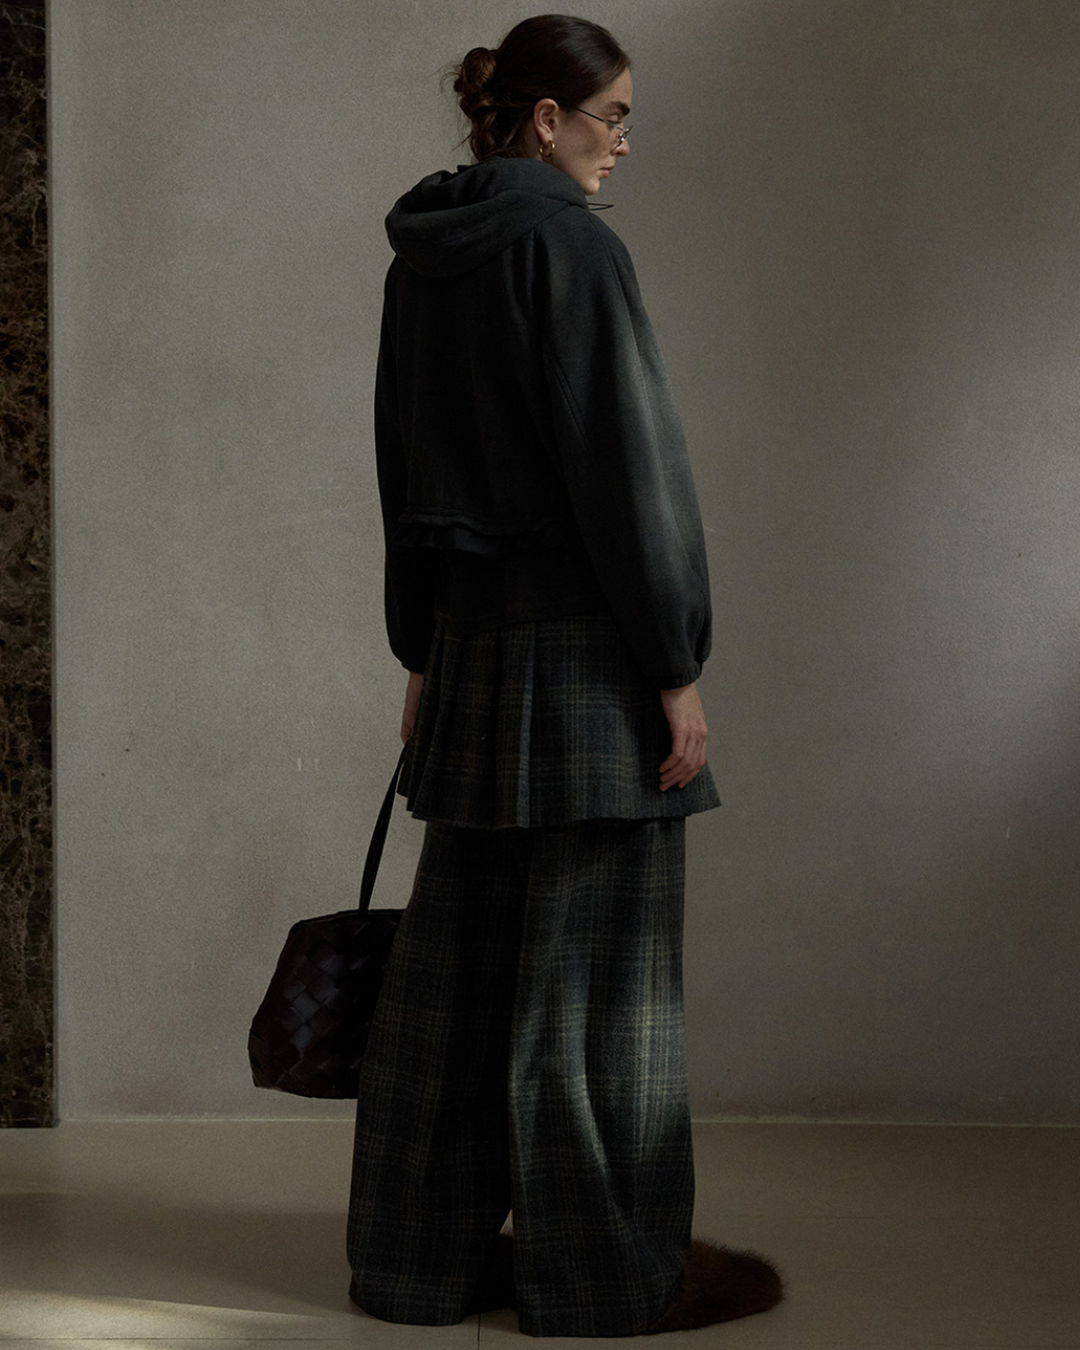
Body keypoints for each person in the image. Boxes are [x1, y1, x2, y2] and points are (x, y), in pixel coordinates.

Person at [347, 14, 782, 1337]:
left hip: (475, 656)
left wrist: (423, 646)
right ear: (547, 120)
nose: (624, 144)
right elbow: (628, 472)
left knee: (457, 988)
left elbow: (403, 467)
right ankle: (596, 1277)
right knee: (599, 995)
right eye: (614, 117)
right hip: (589, 660)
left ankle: (414, 1268)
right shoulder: (574, 248)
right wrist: (674, 665)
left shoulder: (424, 258)